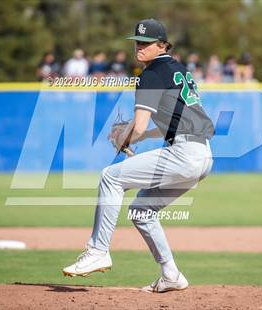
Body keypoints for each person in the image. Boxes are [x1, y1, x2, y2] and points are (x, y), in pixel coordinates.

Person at [62, 18, 214, 293]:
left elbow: (140, 123)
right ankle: (171, 275)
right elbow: (175, 120)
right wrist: (139, 136)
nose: (140, 47)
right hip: (201, 154)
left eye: (146, 43)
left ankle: (98, 251)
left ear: (162, 45)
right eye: (137, 42)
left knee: (110, 177)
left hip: (184, 153)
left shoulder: (151, 73)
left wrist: (125, 136)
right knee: (142, 211)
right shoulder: (178, 70)